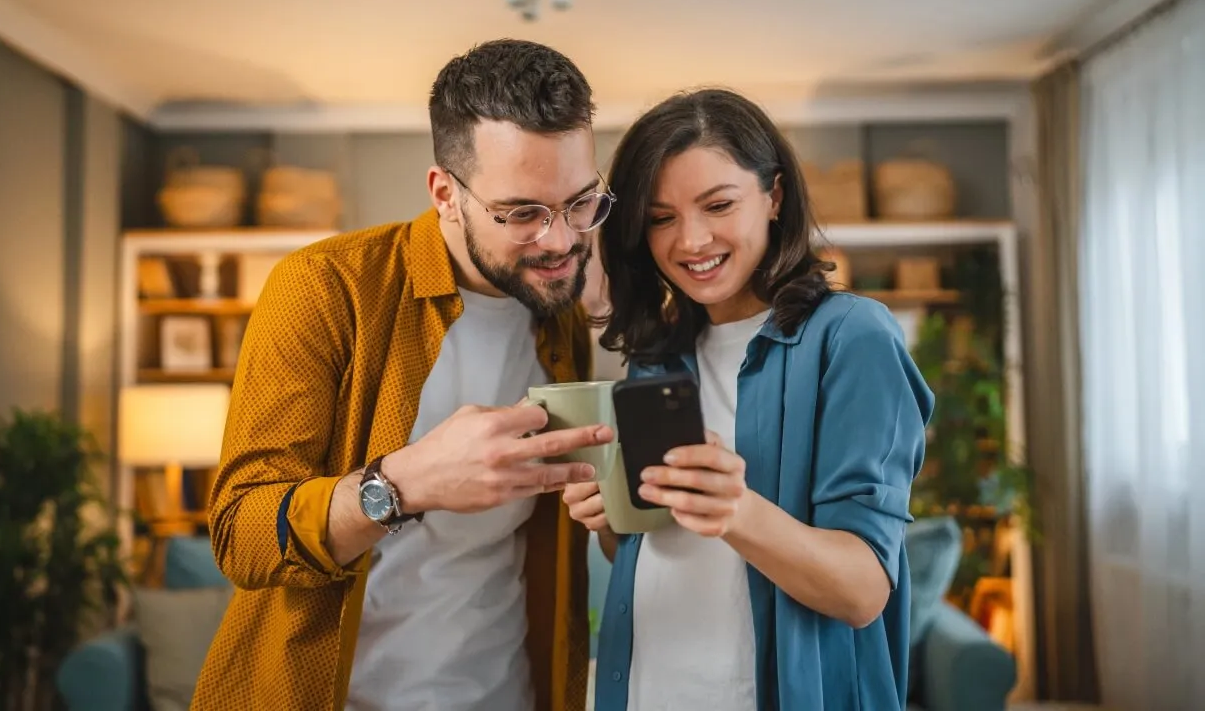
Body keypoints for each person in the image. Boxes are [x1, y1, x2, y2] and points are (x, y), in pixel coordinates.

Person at [193, 39, 618, 711]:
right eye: (523, 214)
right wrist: (402, 485)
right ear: (445, 194)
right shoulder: (325, 288)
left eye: (580, 203)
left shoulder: (556, 311)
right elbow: (240, 534)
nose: (560, 239)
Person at [564, 88, 932, 711]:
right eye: (661, 218)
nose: (691, 240)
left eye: (718, 204)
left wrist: (736, 510)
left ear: (774, 196)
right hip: (647, 688)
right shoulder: (656, 353)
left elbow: (864, 589)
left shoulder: (851, 337)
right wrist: (610, 516)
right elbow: (653, 549)